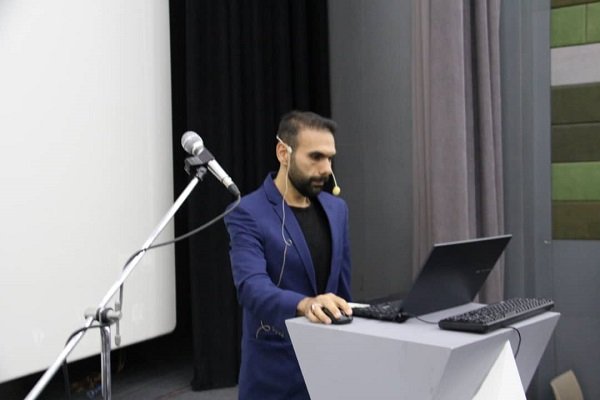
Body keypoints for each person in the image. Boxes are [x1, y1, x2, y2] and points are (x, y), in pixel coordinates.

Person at [224, 110, 353, 400]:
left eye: (330, 158)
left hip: (329, 368)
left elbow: (342, 289)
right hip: (275, 372)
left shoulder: (337, 210)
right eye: (316, 157)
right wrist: (305, 305)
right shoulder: (247, 212)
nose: (326, 169)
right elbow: (251, 287)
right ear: (283, 153)